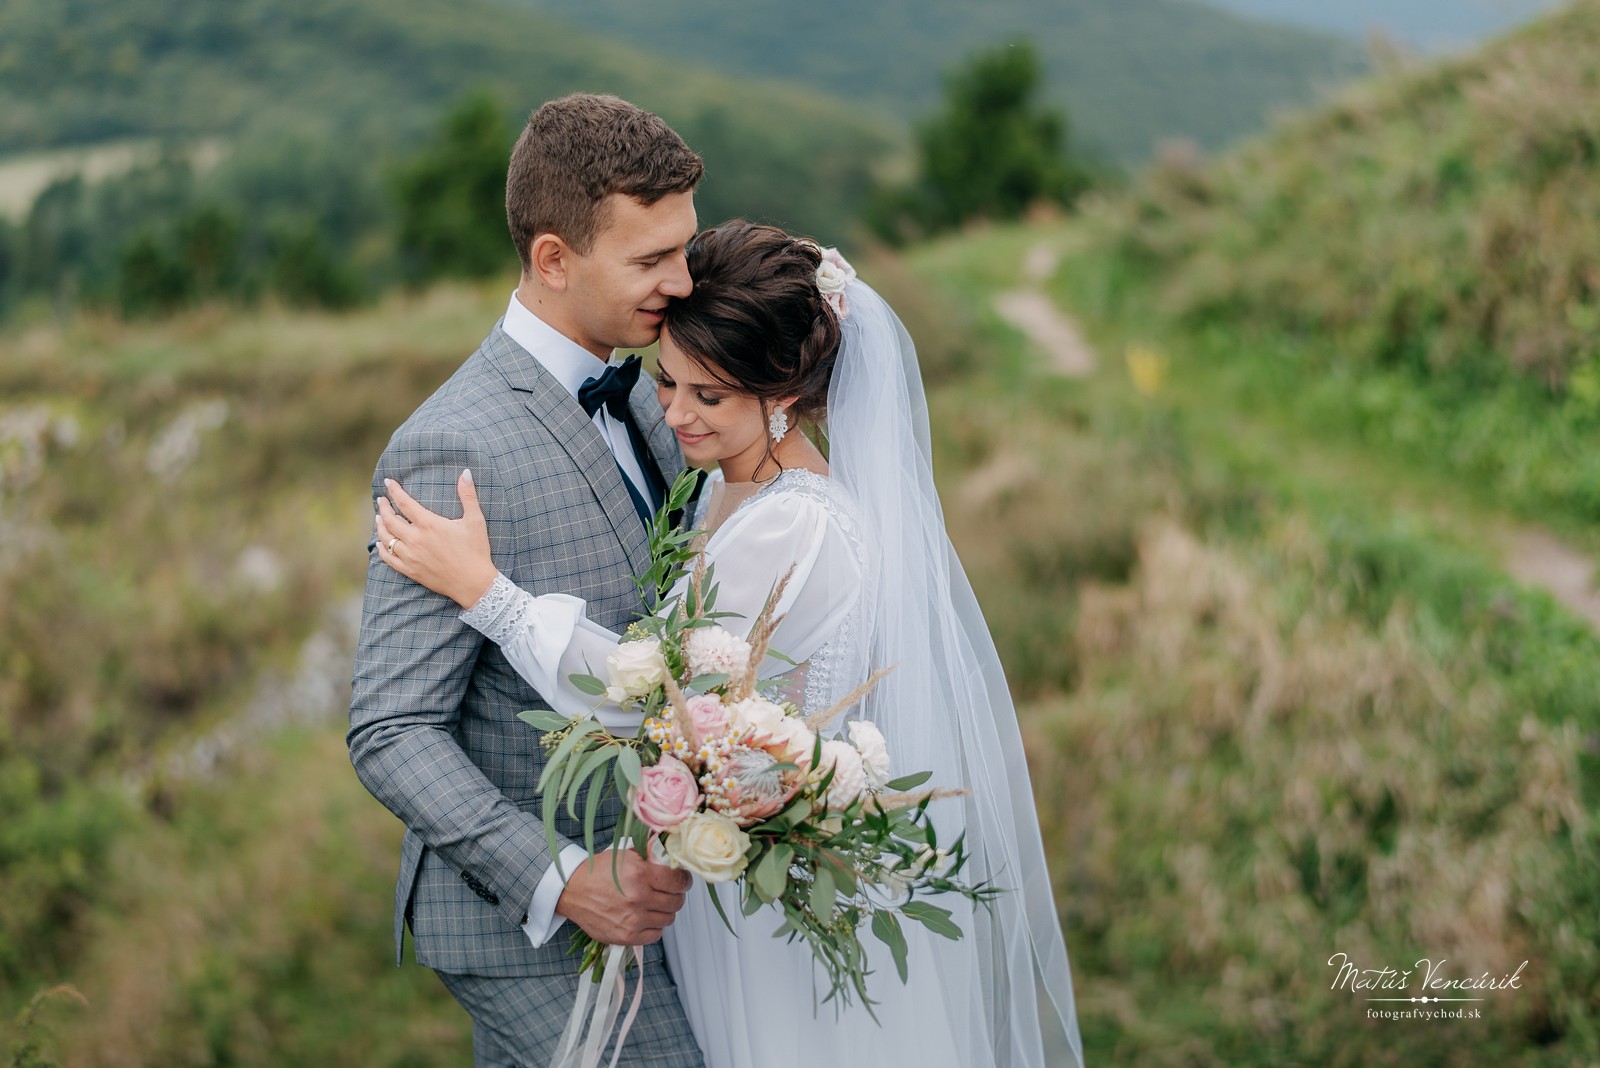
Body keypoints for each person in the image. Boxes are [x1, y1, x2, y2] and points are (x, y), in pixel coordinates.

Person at [373, 220, 1085, 1068]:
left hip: (759, 917)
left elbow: (651, 694)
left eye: (707, 396)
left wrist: (489, 597)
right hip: (712, 896)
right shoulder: (728, 488)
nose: (674, 413)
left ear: (779, 393)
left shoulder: (790, 528)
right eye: (668, 382)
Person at [347, 93, 708, 1067]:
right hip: (534, 929)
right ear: (553, 259)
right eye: (649, 261)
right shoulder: (449, 443)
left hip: (670, 901)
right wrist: (559, 878)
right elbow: (390, 728)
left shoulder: (650, 389)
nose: (682, 283)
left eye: (685, 249)